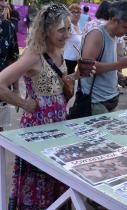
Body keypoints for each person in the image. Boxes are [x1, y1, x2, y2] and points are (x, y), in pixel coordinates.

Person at [0, 4, 79, 209]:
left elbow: (53, 84)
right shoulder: (34, 55)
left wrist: (76, 76)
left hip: (59, 128)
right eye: (62, 29)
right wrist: (24, 103)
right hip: (38, 130)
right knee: (38, 182)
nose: (67, 34)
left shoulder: (59, 52)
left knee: (55, 181)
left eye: (69, 29)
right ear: (46, 30)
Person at [80, 0, 127, 115]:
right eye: (125, 27)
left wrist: (119, 77)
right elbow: (85, 68)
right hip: (96, 102)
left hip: (108, 99)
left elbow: (104, 64)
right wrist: (119, 65)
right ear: (115, 20)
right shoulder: (97, 34)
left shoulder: (114, 35)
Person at [0, 0, 19, 131]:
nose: (4, 5)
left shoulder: (8, 27)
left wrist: (16, 89)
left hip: (2, 89)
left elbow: (13, 60)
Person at [64, 3, 81, 75]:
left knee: (71, 83)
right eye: (73, 12)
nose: (76, 14)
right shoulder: (69, 26)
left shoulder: (78, 25)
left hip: (75, 61)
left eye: (78, 12)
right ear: (69, 14)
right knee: (67, 84)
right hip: (67, 60)